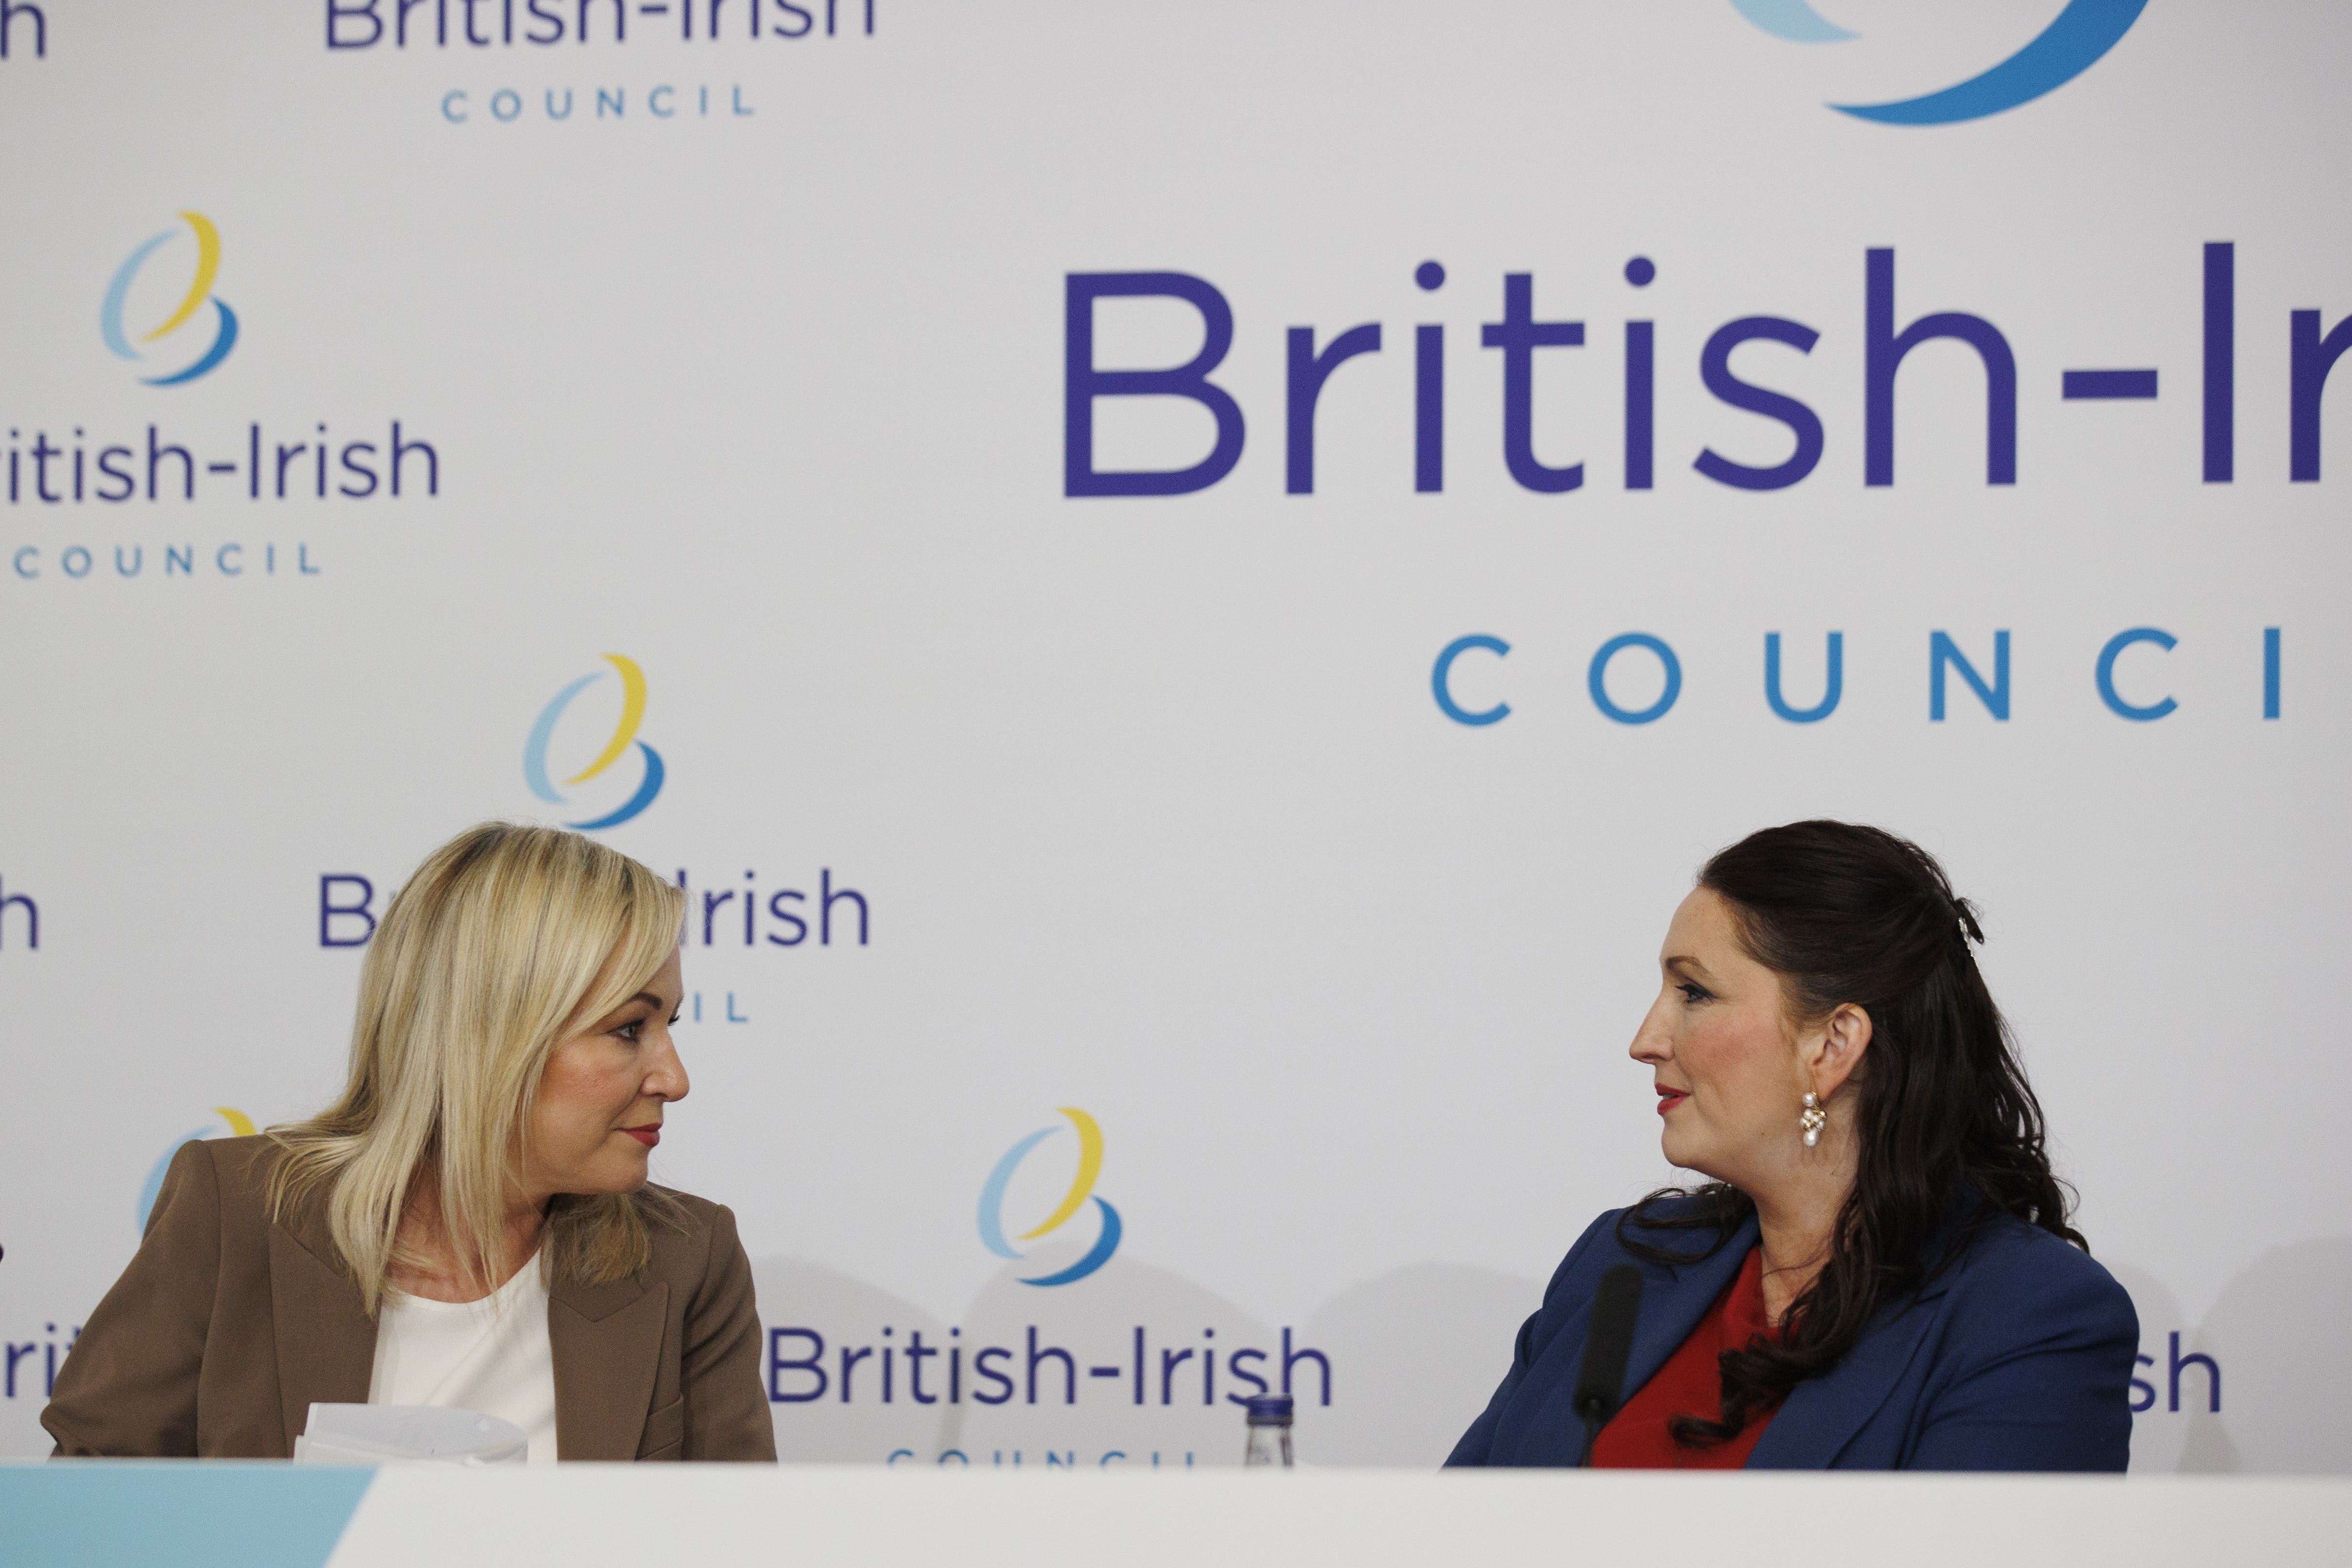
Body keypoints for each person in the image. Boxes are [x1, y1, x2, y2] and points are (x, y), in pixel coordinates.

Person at [44, 823, 777, 1462]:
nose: (673, 1078)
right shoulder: (237, 1212)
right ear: (492, 1033)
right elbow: (87, 1514)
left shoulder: (688, 1258)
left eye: (668, 1025)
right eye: (628, 1030)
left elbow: (736, 1544)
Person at [1448, 821, 2137, 1470]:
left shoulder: (2028, 1317)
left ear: (1832, 1044)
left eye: (1693, 991)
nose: (1644, 1039)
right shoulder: (1622, 1262)